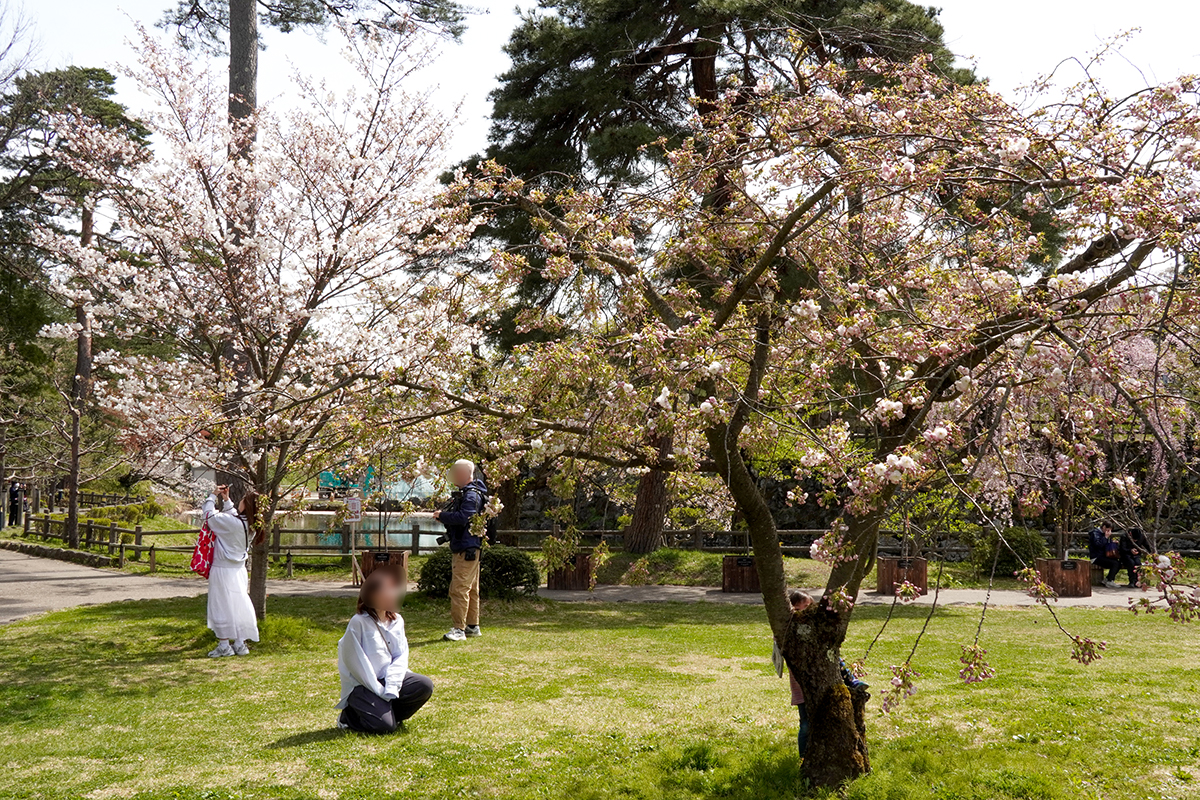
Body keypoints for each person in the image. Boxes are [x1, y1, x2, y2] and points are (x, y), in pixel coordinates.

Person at [336, 569, 434, 733]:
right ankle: (349, 716)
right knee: (384, 727)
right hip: (363, 685)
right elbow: (357, 664)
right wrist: (380, 691)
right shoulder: (358, 622)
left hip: (388, 679)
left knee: (424, 685)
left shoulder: (397, 620)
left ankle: (386, 713)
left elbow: (401, 655)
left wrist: (392, 684)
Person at [202, 485, 261, 657]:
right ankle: (240, 643)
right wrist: (226, 500)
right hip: (238, 570)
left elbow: (209, 516)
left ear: (247, 505)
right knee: (238, 604)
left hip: (222, 569)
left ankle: (224, 644)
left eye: (243, 500)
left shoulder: (233, 524)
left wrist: (212, 496)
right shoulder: (250, 525)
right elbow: (233, 516)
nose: (240, 501)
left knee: (220, 605)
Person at [433, 459, 488, 642]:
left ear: (465, 473)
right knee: (471, 588)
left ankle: (458, 629)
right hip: (470, 545)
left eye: (456, 471)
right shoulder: (473, 492)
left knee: (459, 589)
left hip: (466, 547)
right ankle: (472, 625)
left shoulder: (471, 494)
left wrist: (442, 516)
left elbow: (465, 516)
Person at [1088, 521, 1124, 589]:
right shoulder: (1095, 533)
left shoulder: (1102, 534)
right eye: (1108, 530)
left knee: (1118, 562)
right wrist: (1106, 537)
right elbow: (1098, 545)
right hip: (1096, 557)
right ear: (1104, 527)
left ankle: (1107, 579)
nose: (1108, 532)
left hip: (1103, 556)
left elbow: (1105, 544)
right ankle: (1110, 581)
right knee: (1115, 563)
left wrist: (1111, 542)